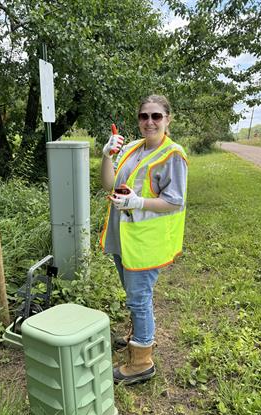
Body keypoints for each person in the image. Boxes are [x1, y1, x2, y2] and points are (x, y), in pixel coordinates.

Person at [100, 94, 188, 385]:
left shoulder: (173, 155)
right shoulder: (134, 149)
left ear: (167, 119)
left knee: (139, 299)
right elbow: (109, 184)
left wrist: (138, 204)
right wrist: (106, 157)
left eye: (156, 116)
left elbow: (175, 202)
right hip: (123, 235)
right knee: (134, 296)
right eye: (143, 116)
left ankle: (142, 362)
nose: (149, 122)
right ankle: (140, 336)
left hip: (146, 241)